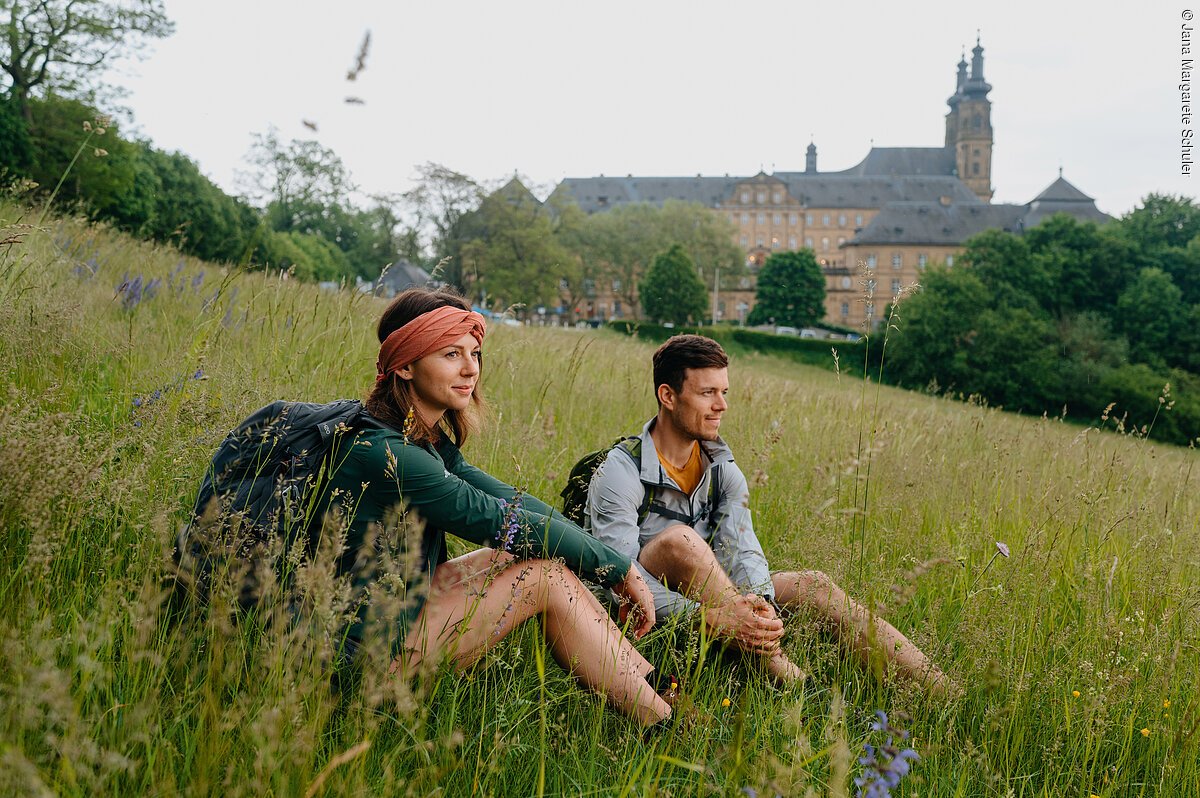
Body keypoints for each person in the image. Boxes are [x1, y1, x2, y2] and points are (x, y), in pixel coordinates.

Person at [313, 287, 671, 725]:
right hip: (357, 665)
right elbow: (503, 522)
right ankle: (663, 724)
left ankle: (657, 687)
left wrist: (604, 556)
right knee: (541, 578)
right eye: (451, 354)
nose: (471, 369)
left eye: (475, 353)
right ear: (404, 364)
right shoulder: (387, 453)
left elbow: (516, 503)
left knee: (515, 557)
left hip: (391, 617)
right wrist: (618, 569)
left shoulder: (419, 440)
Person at [585, 334, 951, 694]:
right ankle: (800, 690)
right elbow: (617, 582)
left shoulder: (722, 468)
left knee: (813, 585)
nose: (722, 405)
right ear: (668, 396)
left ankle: (942, 693)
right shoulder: (621, 471)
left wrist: (761, 604)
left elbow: (742, 549)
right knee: (681, 541)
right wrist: (705, 616)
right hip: (652, 614)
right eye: (707, 392)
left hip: (719, 596)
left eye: (724, 392)